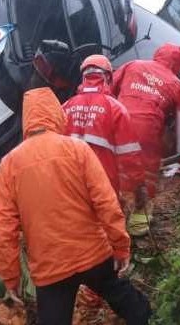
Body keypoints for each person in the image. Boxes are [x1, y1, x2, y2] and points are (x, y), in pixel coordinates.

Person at [0, 87, 154, 325]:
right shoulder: (77, 149)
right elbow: (105, 201)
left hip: (50, 270)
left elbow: (4, 229)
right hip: (93, 253)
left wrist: (11, 279)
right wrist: (120, 244)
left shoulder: (10, 165)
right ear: (55, 114)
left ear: (26, 121)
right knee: (124, 298)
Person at [113, 43, 180, 236]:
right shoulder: (176, 84)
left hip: (118, 122)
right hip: (147, 128)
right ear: (178, 64)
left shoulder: (133, 65)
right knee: (146, 174)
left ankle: (113, 218)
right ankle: (139, 223)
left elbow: (109, 88)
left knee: (115, 169)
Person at [61, 54, 144, 210]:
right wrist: (136, 185)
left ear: (83, 77)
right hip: (105, 183)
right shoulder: (115, 108)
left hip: (71, 183)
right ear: (107, 77)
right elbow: (129, 154)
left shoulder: (65, 107)